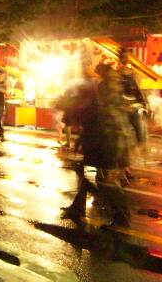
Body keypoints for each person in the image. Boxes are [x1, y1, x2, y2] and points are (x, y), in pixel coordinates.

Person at [61, 64, 131, 226]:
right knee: (86, 173)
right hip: (103, 139)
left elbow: (97, 115)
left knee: (104, 182)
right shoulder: (107, 90)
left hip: (105, 141)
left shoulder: (101, 90)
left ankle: (122, 214)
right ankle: (78, 206)